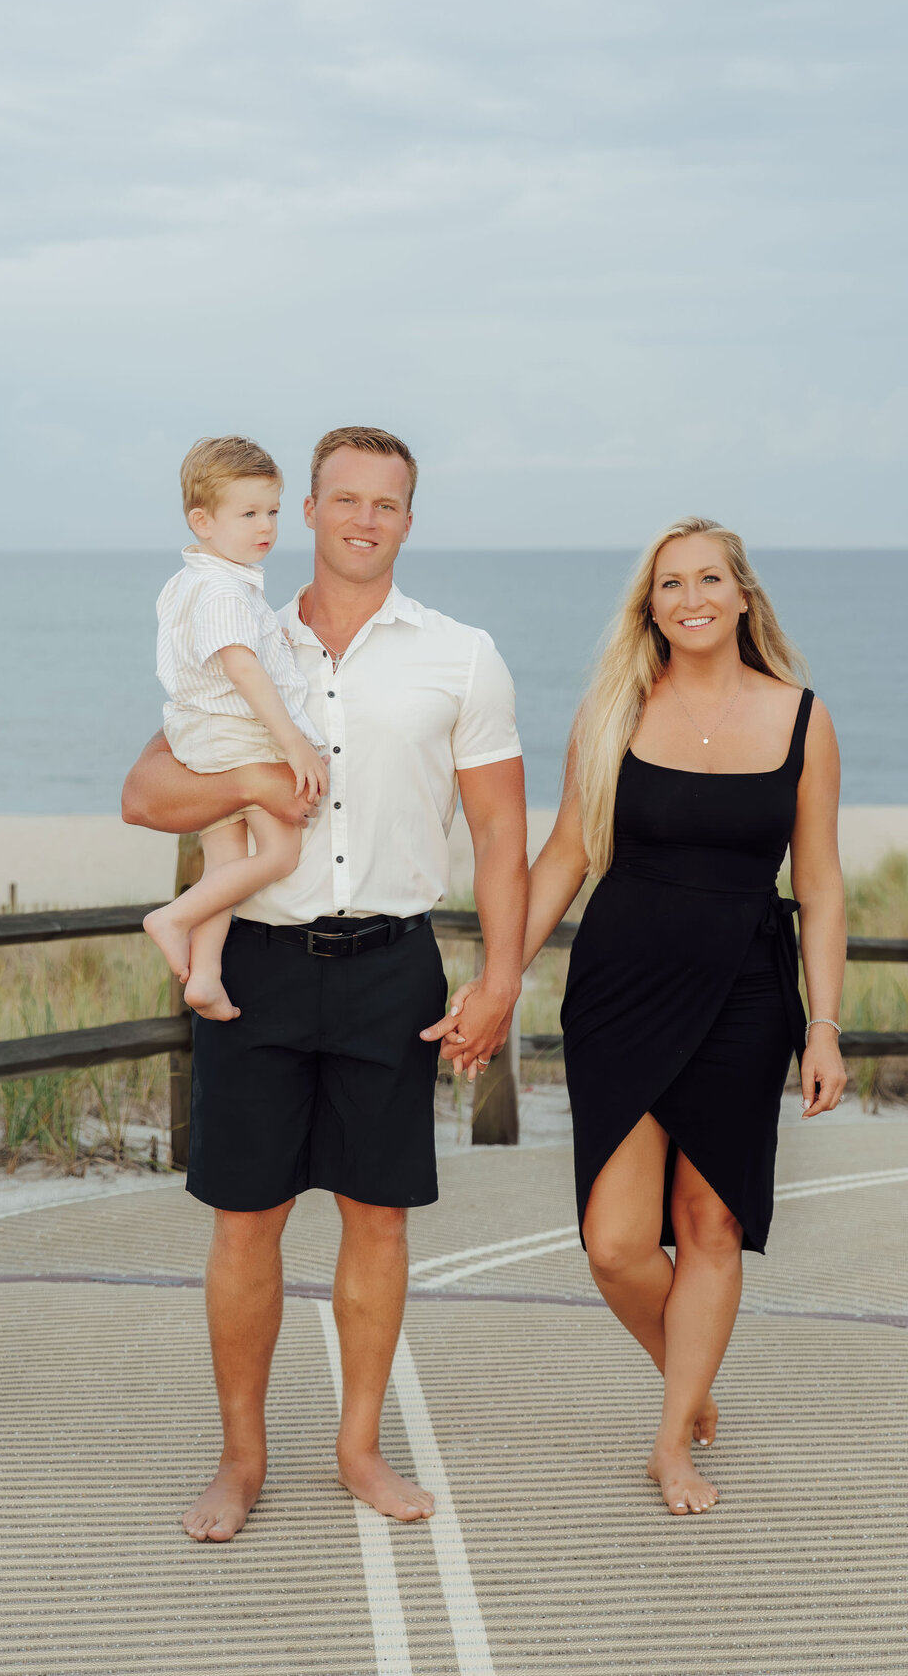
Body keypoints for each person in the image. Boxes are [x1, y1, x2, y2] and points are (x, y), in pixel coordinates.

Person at [121, 426, 527, 1540]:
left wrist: (500, 976)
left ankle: (357, 1447)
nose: (362, 518)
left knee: (378, 1219)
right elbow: (145, 791)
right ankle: (241, 1460)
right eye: (342, 498)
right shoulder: (245, 631)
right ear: (303, 510)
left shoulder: (462, 654)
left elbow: (500, 834)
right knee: (244, 1224)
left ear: (407, 517)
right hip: (254, 962)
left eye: (384, 503)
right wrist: (257, 770)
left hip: (394, 966)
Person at [517, 516, 847, 1518]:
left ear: (743, 595)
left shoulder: (802, 717)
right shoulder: (614, 708)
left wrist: (825, 1025)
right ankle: (690, 1377)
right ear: (650, 605)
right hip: (620, 989)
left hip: (747, 992)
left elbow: (823, 884)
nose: (691, 596)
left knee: (709, 1222)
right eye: (671, 583)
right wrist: (497, 979)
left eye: (710, 578)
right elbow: (566, 854)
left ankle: (671, 1444)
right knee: (616, 1242)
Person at [143, 436, 329, 1021]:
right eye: (247, 514)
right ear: (202, 521)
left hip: (200, 734)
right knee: (278, 854)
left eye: (271, 511)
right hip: (235, 734)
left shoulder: (191, 582)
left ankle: (204, 976)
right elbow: (243, 669)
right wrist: (295, 742)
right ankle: (171, 917)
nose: (265, 526)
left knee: (225, 864)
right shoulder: (223, 588)